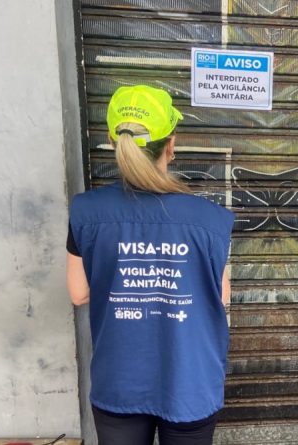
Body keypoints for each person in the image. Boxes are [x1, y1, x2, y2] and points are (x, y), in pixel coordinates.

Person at [66, 85, 234, 445]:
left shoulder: (85, 211)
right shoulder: (211, 219)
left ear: (113, 141)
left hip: (120, 378)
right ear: (171, 145)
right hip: (190, 380)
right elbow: (221, 297)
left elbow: (78, 293)